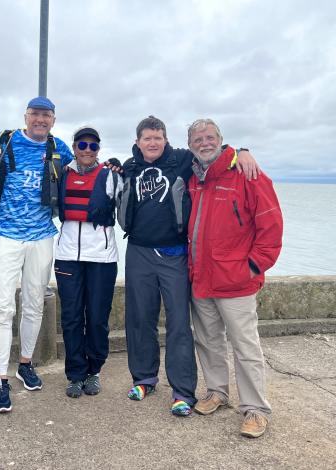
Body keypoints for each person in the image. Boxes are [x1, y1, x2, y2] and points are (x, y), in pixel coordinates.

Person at [118, 116, 259, 416]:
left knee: (180, 322)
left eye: (158, 138)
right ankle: (144, 379)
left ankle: (182, 392)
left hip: (174, 254)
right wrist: (112, 164)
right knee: (139, 319)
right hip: (138, 252)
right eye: (147, 138)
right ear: (138, 142)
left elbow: (216, 155)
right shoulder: (130, 167)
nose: (153, 143)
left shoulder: (182, 160)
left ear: (166, 140)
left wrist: (243, 150)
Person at [0, 96, 73, 412]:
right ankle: (1, 378)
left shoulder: (60, 148)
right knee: (2, 307)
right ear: (26, 116)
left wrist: (112, 165)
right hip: (4, 235)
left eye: (47, 115)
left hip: (43, 236)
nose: (40, 120)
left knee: (33, 304)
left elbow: (78, 168)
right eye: (35, 114)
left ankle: (25, 363)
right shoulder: (4, 140)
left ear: (53, 120)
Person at [186, 118, 283, 437]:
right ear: (190, 145)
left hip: (237, 282)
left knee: (245, 346)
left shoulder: (248, 174)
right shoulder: (194, 177)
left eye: (210, 137)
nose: (204, 142)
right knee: (208, 341)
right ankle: (217, 392)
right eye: (197, 139)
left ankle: (256, 409)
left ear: (221, 140)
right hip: (202, 279)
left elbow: (271, 229)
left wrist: (252, 268)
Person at [54, 126, 121, 398]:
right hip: (68, 256)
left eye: (93, 146)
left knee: (96, 318)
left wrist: (122, 166)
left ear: (99, 150)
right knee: (70, 318)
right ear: (74, 148)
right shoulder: (60, 174)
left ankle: (94, 371)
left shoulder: (111, 176)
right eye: (82, 145)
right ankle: (75, 374)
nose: (87, 150)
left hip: (103, 258)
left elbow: (132, 201)